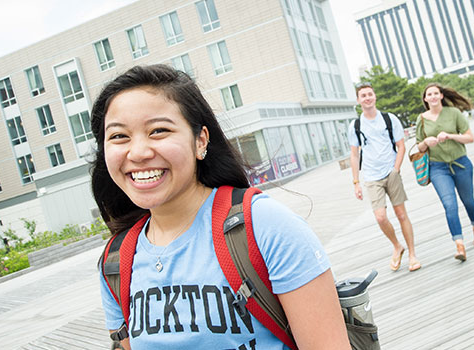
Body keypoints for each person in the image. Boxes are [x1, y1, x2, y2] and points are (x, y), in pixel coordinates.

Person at [90, 65, 348, 349]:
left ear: (200, 140)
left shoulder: (264, 225)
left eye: (158, 131)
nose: (138, 152)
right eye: (118, 136)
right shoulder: (115, 262)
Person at [348, 82, 421, 272]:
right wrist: (356, 182)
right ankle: (397, 246)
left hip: (391, 172)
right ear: (358, 100)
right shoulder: (355, 125)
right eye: (363, 95)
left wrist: (396, 169)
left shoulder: (389, 119)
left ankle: (412, 255)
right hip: (371, 176)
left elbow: (401, 145)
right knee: (381, 218)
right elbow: (354, 155)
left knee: (401, 214)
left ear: (375, 96)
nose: (367, 98)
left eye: (370, 94)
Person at [415, 83, 474, 262]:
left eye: (436, 93)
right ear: (425, 99)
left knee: (468, 201)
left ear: (441, 96)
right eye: (429, 94)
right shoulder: (421, 119)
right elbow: (418, 146)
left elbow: (470, 137)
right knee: (449, 205)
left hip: (460, 163)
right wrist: (426, 142)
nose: (433, 96)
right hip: (438, 168)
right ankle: (459, 245)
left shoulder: (453, 113)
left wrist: (450, 136)